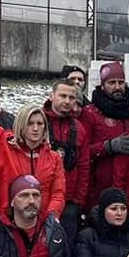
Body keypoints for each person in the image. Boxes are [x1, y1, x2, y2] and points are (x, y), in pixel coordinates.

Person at [81, 61, 129, 207]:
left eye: (121, 82)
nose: (117, 87)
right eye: (112, 83)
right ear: (102, 85)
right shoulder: (90, 113)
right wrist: (108, 147)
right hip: (99, 188)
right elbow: (82, 152)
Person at [4, 105, 68, 218]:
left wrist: (51, 217)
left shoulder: (54, 158)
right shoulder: (7, 153)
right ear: (21, 125)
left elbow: (58, 193)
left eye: (40, 124)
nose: (35, 128)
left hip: (43, 218)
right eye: (30, 123)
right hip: (13, 218)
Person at [44, 78, 90, 236]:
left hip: (69, 201)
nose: (67, 101)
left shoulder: (79, 128)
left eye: (71, 98)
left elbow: (84, 166)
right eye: (62, 96)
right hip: (41, 198)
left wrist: (78, 202)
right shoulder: (37, 122)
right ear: (51, 96)